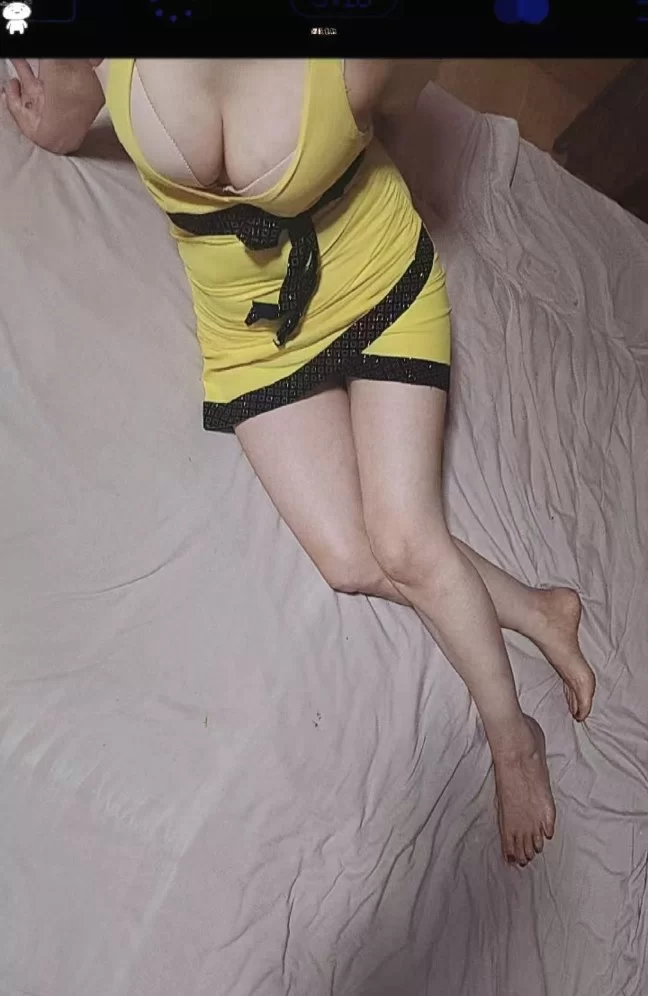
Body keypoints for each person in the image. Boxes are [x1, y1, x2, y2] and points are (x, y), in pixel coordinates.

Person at [2, 57, 596, 867]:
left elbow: (397, 104)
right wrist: (46, 114)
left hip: (378, 287)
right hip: (252, 335)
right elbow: (72, 106)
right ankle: (537, 610)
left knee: (405, 541)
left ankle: (513, 737)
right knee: (352, 559)